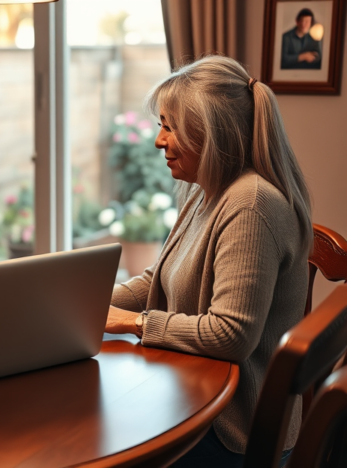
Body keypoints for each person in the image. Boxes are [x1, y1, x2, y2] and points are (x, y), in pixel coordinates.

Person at [105, 55, 311, 467]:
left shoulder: (251, 205)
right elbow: (160, 278)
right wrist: (85, 300)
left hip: (235, 428)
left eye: (169, 127)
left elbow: (230, 334)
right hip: (197, 392)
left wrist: (134, 322)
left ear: (211, 133)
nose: (159, 141)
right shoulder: (208, 188)